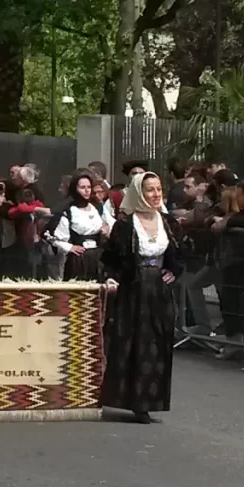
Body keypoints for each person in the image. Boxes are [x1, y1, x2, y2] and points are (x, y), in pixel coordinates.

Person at [100, 172, 182, 424]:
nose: (156, 195)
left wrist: (173, 272)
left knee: (157, 342)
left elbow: (179, 253)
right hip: (133, 288)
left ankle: (151, 399)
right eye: (150, 190)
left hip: (158, 290)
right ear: (138, 193)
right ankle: (132, 401)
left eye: (158, 189)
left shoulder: (168, 222)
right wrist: (112, 278)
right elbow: (112, 258)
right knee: (131, 341)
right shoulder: (126, 225)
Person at [45, 172, 107, 281]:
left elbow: (112, 224)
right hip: (78, 260)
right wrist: (70, 247)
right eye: (82, 187)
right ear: (75, 189)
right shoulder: (68, 210)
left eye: (89, 187)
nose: (87, 190)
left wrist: (107, 230)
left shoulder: (97, 208)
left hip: (97, 258)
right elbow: (52, 237)